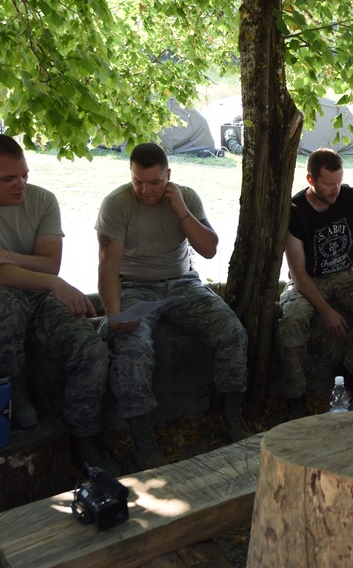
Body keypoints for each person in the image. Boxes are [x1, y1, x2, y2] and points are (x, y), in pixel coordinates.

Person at [0, 135, 114, 472]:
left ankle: (82, 439)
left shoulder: (42, 200)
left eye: (24, 176)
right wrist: (49, 282)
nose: (20, 185)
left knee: (90, 348)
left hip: (30, 295)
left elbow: (50, 262)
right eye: (8, 179)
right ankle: (11, 387)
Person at [96, 142, 250, 470]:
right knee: (131, 346)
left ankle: (231, 416)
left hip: (182, 284)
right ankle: (142, 439)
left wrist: (181, 209)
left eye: (154, 182)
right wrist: (113, 314)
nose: (145, 190)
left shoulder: (186, 197)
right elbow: (108, 266)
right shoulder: (116, 204)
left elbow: (209, 249)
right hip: (136, 287)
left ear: (169, 175)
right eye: (138, 181)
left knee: (231, 331)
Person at [278, 148, 353, 418]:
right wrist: (326, 311)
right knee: (291, 319)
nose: (335, 190)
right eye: (329, 184)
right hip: (308, 280)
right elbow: (297, 272)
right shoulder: (295, 211)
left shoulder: (352, 197)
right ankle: (295, 397)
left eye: (339, 182)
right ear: (311, 180)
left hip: (345, 275)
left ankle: (348, 374)